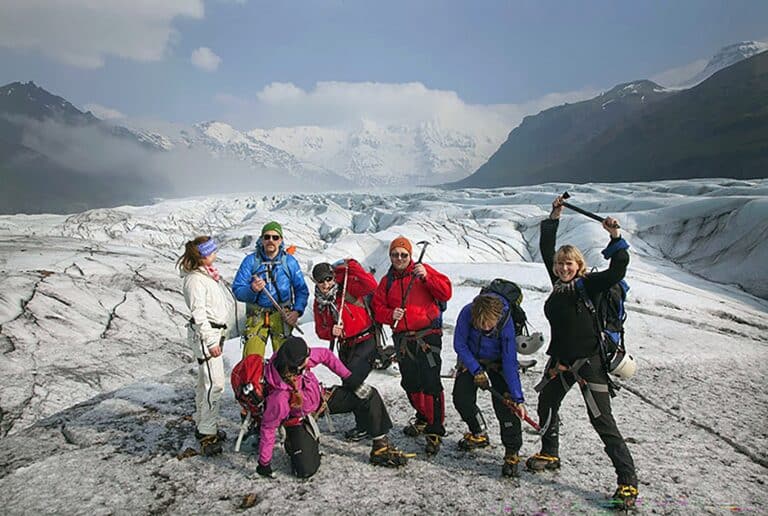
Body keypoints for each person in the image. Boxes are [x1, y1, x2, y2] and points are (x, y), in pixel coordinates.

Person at [530, 195, 638, 510]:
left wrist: (615, 237)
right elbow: (545, 247)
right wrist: (555, 214)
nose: (563, 267)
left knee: (602, 421)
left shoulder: (588, 285)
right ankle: (550, 452)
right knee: (547, 402)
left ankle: (627, 482)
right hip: (561, 361)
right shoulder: (559, 285)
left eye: (569, 263)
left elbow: (618, 271)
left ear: (578, 266)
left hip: (589, 363)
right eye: (560, 264)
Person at [256, 337, 412, 479]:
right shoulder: (279, 398)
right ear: (296, 366)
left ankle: (380, 446)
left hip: (321, 400)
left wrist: (351, 379)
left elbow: (325, 355)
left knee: (368, 394)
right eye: (307, 356)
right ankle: (295, 441)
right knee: (306, 470)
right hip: (298, 420)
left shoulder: (295, 360)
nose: (310, 356)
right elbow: (268, 428)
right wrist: (264, 463)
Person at [372, 236, 452, 455]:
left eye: (403, 254)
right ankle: (423, 417)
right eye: (395, 254)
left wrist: (427, 279)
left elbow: (446, 292)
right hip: (403, 339)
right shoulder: (386, 281)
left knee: (431, 382)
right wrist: (390, 314)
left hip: (428, 336)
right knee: (410, 382)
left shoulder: (422, 271)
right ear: (390, 256)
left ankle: (435, 428)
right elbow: (377, 307)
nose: (399, 258)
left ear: (410, 255)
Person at [452, 294, 527, 478]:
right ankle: (479, 432)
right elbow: (460, 344)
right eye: (481, 324)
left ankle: (512, 451)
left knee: (505, 405)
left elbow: (510, 360)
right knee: (461, 398)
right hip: (471, 357)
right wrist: (476, 370)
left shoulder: (506, 322)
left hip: (499, 361)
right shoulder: (467, 313)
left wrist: (517, 397)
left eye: (489, 324)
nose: (485, 328)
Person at [177, 236, 234, 456]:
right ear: (204, 254)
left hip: (211, 333)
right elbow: (199, 313)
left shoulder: (204, 275)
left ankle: (203, 423)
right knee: (215, 384)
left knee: (205, 382)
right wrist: (211, 341)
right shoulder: (195, 280)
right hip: (207, 335)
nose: (216, 253)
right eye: (213, 251)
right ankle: (207, 432)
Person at [312, 259, 379, 441]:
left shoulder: (348, 289)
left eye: (329, 278)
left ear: (334, 277)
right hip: (345, 346)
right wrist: (330, 332)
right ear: (315, 282)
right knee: (351, 384)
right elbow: (320, 330)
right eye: (321, 280)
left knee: (353, 381)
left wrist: (353, 265)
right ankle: (365, 423)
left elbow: (371, 285)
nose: (326, 284)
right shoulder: (319, 303)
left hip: (366, 341)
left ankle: (367, 425)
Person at [232, 221, 309, 358]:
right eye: (267, 237)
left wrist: (297, 311)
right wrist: (252, 290)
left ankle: (280, 379)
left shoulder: (289, 262)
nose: (270, 241)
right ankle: (253, 379)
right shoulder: (250, 261)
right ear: (261, 239)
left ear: (281, 240)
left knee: (285, 359)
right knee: (252, 359)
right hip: (257, 314)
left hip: (282, 314)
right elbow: (237, 289)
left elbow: (301, 289)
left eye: (275, 237)